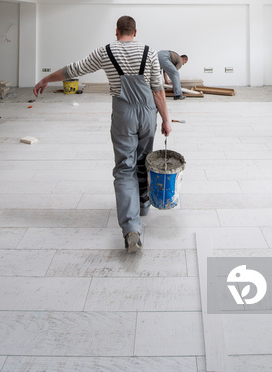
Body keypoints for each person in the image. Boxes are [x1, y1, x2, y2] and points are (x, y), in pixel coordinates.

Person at [33, 15, 172, 253]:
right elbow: (157, 88)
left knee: (124, 167)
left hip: (124, 113)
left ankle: (131, 229)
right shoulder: (149, 52)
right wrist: (166, 120)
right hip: (148, 113)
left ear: (116, 31)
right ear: (135, 32)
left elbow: (74, 69)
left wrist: (46, 78)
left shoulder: (105, 52)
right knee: (143, 160)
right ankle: (143, 207)